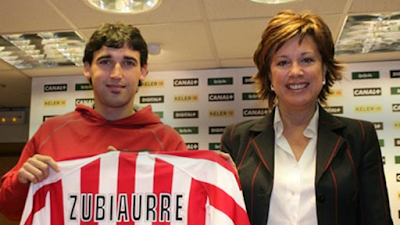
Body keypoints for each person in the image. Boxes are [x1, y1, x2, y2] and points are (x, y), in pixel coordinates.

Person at [0, 22, 187, 221]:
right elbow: (9, 209)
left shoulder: (168, 142)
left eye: (128, 63)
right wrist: (21, 182)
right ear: (88, 69)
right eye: (106, 62)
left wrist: (218, 171)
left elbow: (185, 211)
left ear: (143, 71)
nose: (116, 74)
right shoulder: (51, 132)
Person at [220, 10, 393, 225]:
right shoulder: (237, 139)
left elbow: (378, 219)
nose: (295, 72)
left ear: (325, 70)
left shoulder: (359, 137)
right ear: (269, 76)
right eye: (282, 62)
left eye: (307, 60)